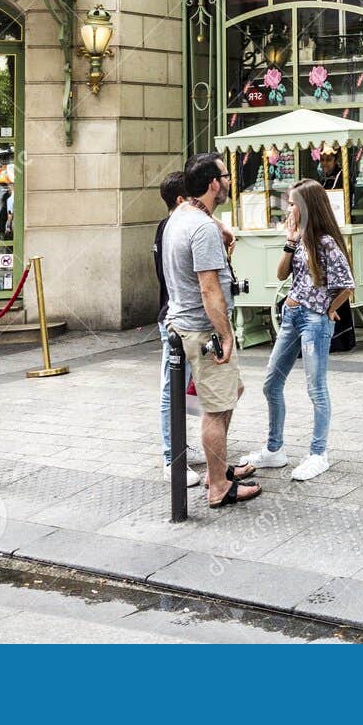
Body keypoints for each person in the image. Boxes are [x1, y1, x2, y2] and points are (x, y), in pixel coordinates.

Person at [163, 153, 262, 508]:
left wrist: (218, 226)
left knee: (231, 391)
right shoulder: (201, 228)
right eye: (225, 175)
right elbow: (209, 289)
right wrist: (226, 335)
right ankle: (218, 485)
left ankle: (217, 469)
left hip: (186, 324)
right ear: (212, 184)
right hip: (204, 330)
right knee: (215, 410)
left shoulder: (181, 216)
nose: (230, 181)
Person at [243, 180, 353, 482]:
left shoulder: (326, 242)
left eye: (292, 203)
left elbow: (348, 283)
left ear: (306, 206)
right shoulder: (300, 237)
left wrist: (331, 308)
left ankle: (319, 454)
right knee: (271, 383)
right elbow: (281, 273)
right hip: (291, 315)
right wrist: (290, 242)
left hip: (314, 320)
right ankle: (274, 449)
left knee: (315, 389)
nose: (288, 208)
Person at [153, 170, 203, 489]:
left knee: (187, 385)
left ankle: (182, 445)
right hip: (177, 321)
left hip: (181, 318)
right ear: (182, 199)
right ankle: (173, 457)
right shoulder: (173, 228)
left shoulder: (169, 226)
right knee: (172, 387)